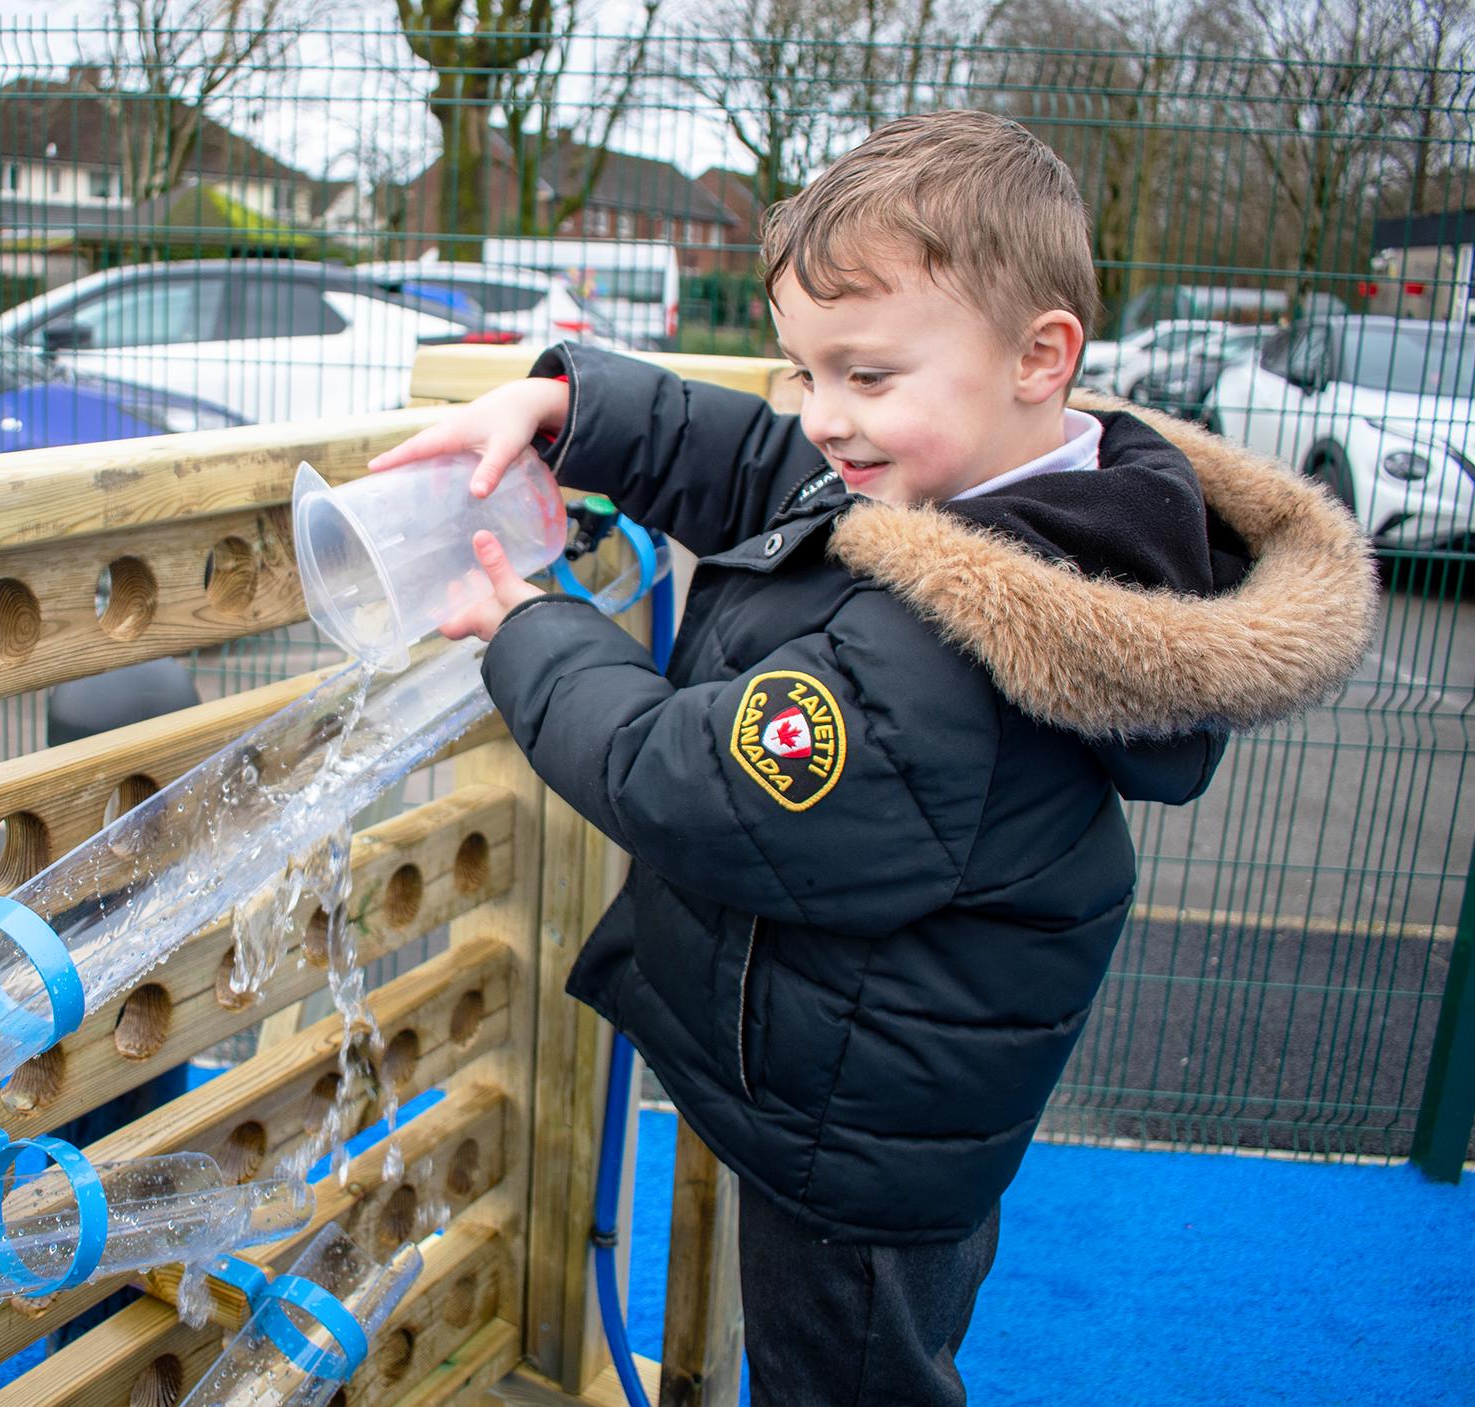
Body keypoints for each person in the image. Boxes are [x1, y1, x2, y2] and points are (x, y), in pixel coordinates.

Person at [368, 110, 1378, 1404]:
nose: (822, 419)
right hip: (847, 1062)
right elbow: (756, 464)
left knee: (842, 1382)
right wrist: (568, 404)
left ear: (1040, 355)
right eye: (800, 370)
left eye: (864, 375)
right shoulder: (964, 476)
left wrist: (528, 626)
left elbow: (679, 779)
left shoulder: (950, 654)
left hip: (859, 1142)